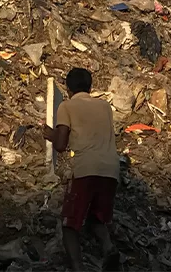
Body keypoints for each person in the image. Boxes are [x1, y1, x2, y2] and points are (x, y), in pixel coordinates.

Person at [44, 68, 121, 271]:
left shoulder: (66, 106)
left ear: (68, 88)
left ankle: (77, 268)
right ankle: (109, 248)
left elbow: (61, 145)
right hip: (111, 169)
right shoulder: (105, 107)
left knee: (70, 225)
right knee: (97, 219)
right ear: (90, 86)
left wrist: (50, 134)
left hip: (86, 168)